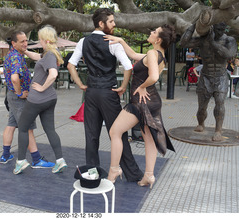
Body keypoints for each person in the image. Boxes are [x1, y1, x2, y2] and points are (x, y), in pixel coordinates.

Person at [67, 8, 143, 182]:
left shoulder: (83, 41)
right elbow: (128, 66)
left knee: (91, 135)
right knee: (118, 133)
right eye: (111, 21)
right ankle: (132, 174)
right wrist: (123, 86)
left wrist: (80, 84)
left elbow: (71, 65)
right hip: (109, 93)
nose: (114, 24)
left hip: (91, 93)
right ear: (101, 24)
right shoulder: (113, 42)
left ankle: (93, 174)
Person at [104, 25, 176, 187]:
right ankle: (149, 176)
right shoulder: (160, 55)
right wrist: (121, 40)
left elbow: (154, 76)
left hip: (142, 102)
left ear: (158, 40)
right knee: (149, 139)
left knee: (115, 132)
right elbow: (134, 55)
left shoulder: (152, 53)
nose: (150, 32)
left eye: (154, 32)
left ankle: (114, 170)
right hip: (153, 102)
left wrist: (142, 86)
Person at [16, 25, 67, 174]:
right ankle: (60, 161)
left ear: (45, 40)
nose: (39, 42)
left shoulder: (50, 55)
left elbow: (53, 74)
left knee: (23, 127)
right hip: (50, 99)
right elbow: (38, 58)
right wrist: (24, 51)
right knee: (50, 129)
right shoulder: (51, 53)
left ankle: (20, 161)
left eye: (40, 40)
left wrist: (42, 88)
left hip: (38, 99)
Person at [2, 31, 54, 173]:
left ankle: (5, 155)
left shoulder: (13, 54)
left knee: (11, 124)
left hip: (11, 96)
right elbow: (14, 78)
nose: (25, 43)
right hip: (18, 98)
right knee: (27, 128)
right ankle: (36, 160)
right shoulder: (16, 58)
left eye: (26, 40)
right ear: (14, 43)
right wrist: (19, 93)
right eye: (22, 42)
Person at [180, 22, 237, 141]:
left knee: (220, 103)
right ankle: (201, 124)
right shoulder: (203, 39)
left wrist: (213, 43)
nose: (220, 31)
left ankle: (218, 130)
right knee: (202, 107)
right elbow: (183, 43)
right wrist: (194, 25)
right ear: (212, 27)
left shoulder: (229, 40)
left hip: (221, 76)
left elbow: (229, 54)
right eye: (218, 29)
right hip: (205, 76)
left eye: (223, 29)